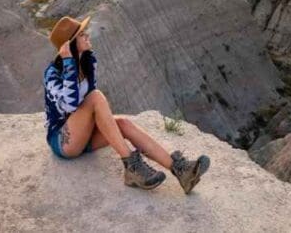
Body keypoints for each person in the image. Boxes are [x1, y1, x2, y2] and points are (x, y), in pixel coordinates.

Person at [43, 15, 210, 193]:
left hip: (85, 136)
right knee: (96, 96)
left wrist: (105, 124)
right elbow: (70, 105)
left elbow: (88, 107)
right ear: (70, 45)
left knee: (123, 123)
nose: (87, 36)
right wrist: (68, 62)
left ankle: (180, 171)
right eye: (82, 35)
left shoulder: (87, 62)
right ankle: (132, 167)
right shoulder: (52, 74)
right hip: (63, 141)